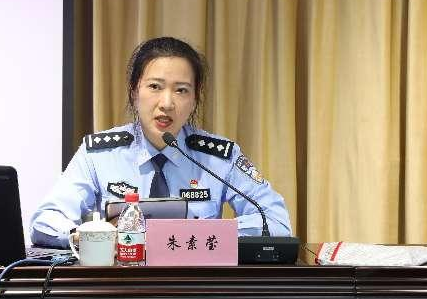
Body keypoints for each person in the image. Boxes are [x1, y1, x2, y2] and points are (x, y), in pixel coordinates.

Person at [31, 37, 292, 248]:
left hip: (196, 286)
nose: (167, 103)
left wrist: (205, 234)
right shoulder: (99, 154)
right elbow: (45, 221)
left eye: (181, 90)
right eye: (155, 87)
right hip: (120, 285)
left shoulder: (220, 157)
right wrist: (85, 236)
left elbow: (276, 222)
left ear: (194, 100)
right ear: (134, 91)